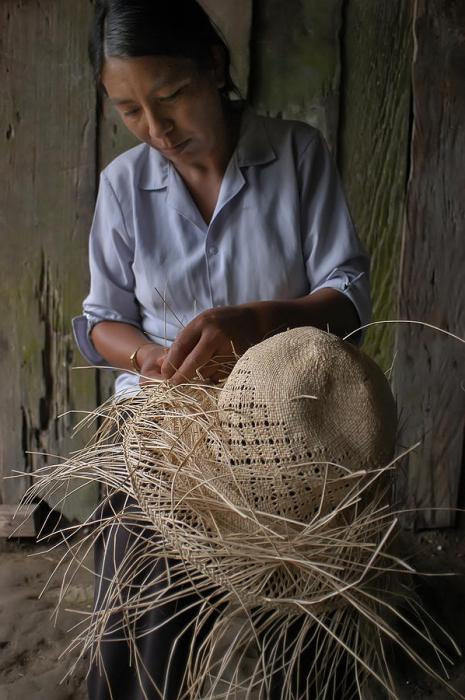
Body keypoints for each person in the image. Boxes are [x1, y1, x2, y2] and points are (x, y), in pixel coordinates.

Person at [72, 1, 371, 697]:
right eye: (130, 111)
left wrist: (260, 320)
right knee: (136, 569)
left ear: (213, 66)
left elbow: (349, 298)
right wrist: (149, 361)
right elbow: (98, 321)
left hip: (286, 421)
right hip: (163, 424)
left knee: (309, 583)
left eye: (170, 96)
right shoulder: (124, 186)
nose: (157, 129)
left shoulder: (296, 155)